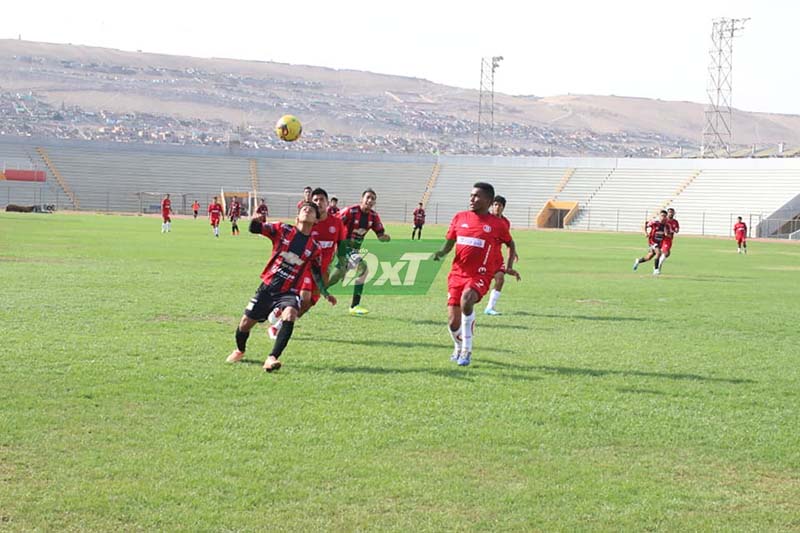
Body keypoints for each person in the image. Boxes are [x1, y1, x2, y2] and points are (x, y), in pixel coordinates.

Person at [226, 203, 336, 371]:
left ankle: (272, 358)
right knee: (245, 324)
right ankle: (240, 350)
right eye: (304, 209)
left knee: (290, 313)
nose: (307, 210)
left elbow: (316, 272)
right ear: (297, 217)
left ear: (315, 220)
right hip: (267, 288)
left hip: (289, 291)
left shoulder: (315, 248)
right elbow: (255, 228)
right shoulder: (283, 229)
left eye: (312, 210)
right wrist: (255, 220)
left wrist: (325, 292)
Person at [433, 183, 519, 366]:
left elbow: (511, 244)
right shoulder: (459, 218)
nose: (472, 199)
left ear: (488, 200)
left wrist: (509, 265)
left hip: (480, 274)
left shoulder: (497, 224)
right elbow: (448, 244)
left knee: (467, 299)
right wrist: (440, 253)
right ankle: (458, 346)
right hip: (457, 274)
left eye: (477, 196)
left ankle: (467, 350)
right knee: (452, 322)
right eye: (471, 195)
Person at [268, 188, 347, 338]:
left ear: (328, 203)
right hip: (305, 268)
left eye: (322, 200)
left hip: (323, 271)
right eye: (315, 200)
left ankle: (278, 323)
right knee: (304, 298)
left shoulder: (336, 223)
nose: (319, 203)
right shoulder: (309, 221)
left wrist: (343, 266)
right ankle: (279, 320)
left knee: (308, 303)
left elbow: (342, 246)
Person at [328, 188, 391, 316]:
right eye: (368, 197)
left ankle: (315, 290)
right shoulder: (350, 211)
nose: (370, 200)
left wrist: (384, 238)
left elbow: (380, 234)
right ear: (361, 199)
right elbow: (333, 223)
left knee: (335, 277)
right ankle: (355, 305)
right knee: (363, 268)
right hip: (343, 247)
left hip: (354, 250)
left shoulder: (373, 216)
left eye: (373, 198)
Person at [484, 195, 518, 316]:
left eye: (500, 205)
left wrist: (514, 252)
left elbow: (507, 240)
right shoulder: (486, 218)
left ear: (503, 208)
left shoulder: (505, 222)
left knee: (500, 279)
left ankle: (489, 308)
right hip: (483, 254)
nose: (497, 207)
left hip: (496, 256)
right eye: (495, 205)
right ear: (491, 206)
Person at [633, 210, 671, 275]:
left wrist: (667, 234)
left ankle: (638, 261)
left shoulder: (666, 225)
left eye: (665, 216)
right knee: (658, 253)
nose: (663, 217)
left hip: (659, 243)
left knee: (649, 257)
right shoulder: (654, 223)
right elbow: (644, 225)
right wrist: (645, 233)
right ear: (659, 216)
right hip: (652, 242)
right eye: (662, 216)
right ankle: (656, 270)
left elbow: (668, 234)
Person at [656, 207, 680, 272]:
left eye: (672, 212)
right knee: (666, 253)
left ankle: (657, 265)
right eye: (669, 212)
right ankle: (657, 267)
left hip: (669, 239)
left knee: (667, 253)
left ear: (674, 213)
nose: (671, 213)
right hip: (664, 238)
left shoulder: (675, 221)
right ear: (668, 213)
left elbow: (677, 230)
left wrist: (676, 230)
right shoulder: (665, 220)